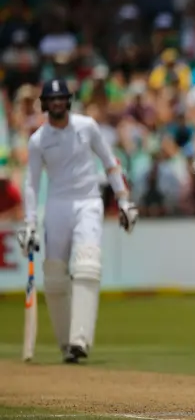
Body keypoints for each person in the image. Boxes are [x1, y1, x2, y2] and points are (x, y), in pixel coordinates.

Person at [16, 79, 139, 364]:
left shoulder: (87, 126)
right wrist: (29, 223)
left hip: (88, 202)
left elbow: (110, 162)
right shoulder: (38, 140)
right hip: (57, 205)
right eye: (53, 99)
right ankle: (65, 344)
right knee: (55, 276)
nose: (58, 103)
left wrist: (123, 200)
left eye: (62, 98)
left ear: (69, 101)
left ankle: (79, 339)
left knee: (87, 264)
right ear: (45, 104)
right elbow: (31, 184)